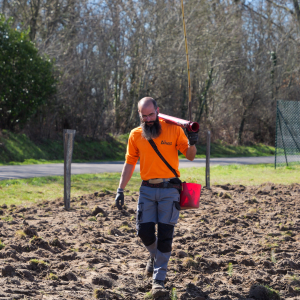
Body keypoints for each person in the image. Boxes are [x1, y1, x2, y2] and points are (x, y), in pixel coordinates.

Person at [114, 97, 198, 297]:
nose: (148, 119)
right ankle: (155, 255)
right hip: (147, 190)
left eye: (151, 114)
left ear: (158, 111)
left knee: (166, 234)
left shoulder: (174, 129)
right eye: (144, 116)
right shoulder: (135, 135)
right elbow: (129, 164)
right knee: (143, 231)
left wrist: (193, 141)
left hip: (170, 189)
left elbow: (191, 155)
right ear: (139, 115)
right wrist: (120, 189)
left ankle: (158, 280)